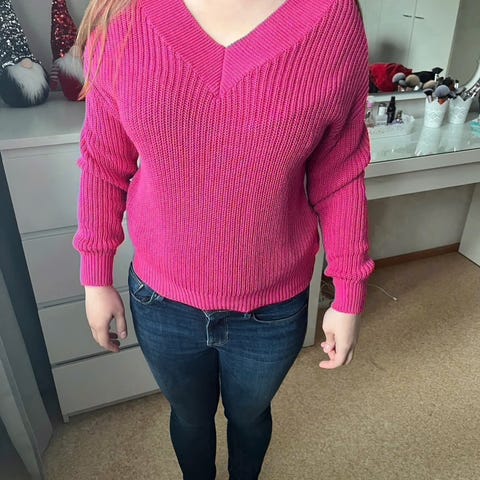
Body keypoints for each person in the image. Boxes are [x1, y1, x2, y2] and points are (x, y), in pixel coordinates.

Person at [73, 0, 375, 478]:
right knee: (190, 418)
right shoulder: (124, 16)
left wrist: (348, 290)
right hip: (161, 299)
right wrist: (95, 275)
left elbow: (339, 172)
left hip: (272, 307)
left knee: (250, 418)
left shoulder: (332, 19)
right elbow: (104, 160)